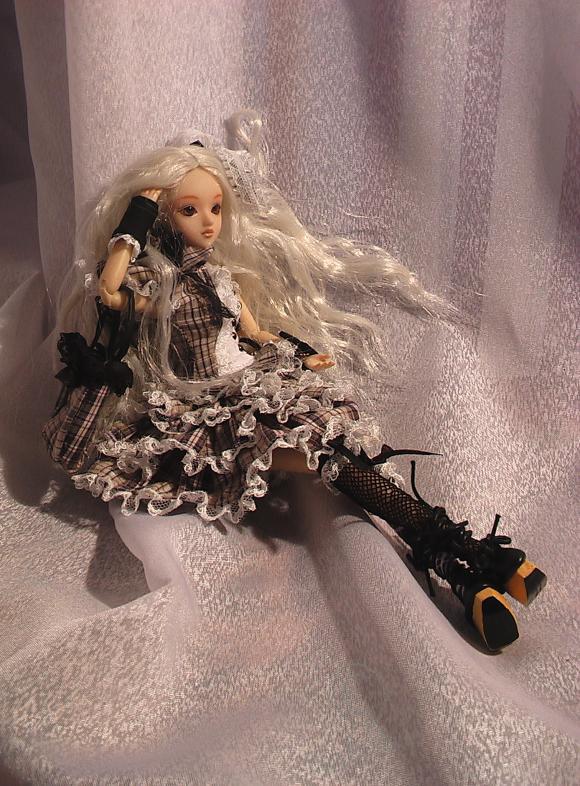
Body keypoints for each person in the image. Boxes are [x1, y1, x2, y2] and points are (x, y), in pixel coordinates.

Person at [42, 110, 546, 652]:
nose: (208, 222)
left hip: (259, 384)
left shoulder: (221, 277)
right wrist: (137, 214)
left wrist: (300, 356)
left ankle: (458, 561)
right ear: (165, 215)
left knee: (341, 452)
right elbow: (109, 291)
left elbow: (255, 332)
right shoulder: (158, 286)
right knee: (329, 458)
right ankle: (463, 556)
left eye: (215, 208)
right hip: (209, 410)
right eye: (190, 209)